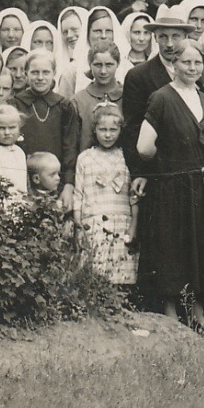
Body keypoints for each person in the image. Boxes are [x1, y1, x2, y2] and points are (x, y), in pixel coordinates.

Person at [135, 39, 204, 328]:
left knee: (203, 247)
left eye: (197, 63)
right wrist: (167, 162)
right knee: (172, 248)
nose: (192, 68)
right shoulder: (161, 98)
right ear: (174, 65)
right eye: (186, 62)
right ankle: (171, 315)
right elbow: (143, 147)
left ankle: (199, 312)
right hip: (173, 188)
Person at [72, 102, 137, 290]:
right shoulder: (85, 158)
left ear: (120, 131)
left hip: (121, 222)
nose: (108, 135)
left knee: (121, 274)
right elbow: (78, 193)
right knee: (95, 273)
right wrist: (78, 225)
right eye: (102, 130)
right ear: (95, 130)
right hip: (93, 223)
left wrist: (133, 227)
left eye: (113, 130)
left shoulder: (127, 157)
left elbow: (134, 196)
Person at [14, 50, 79, 203]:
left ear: (54, 73)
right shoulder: (15, 103)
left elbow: (70, 147)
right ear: (25, 73)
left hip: (56, 182)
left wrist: (68, 185)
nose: (40, 78)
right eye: (35, 72)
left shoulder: (64, 106)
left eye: (46, 72)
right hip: (22, 181)